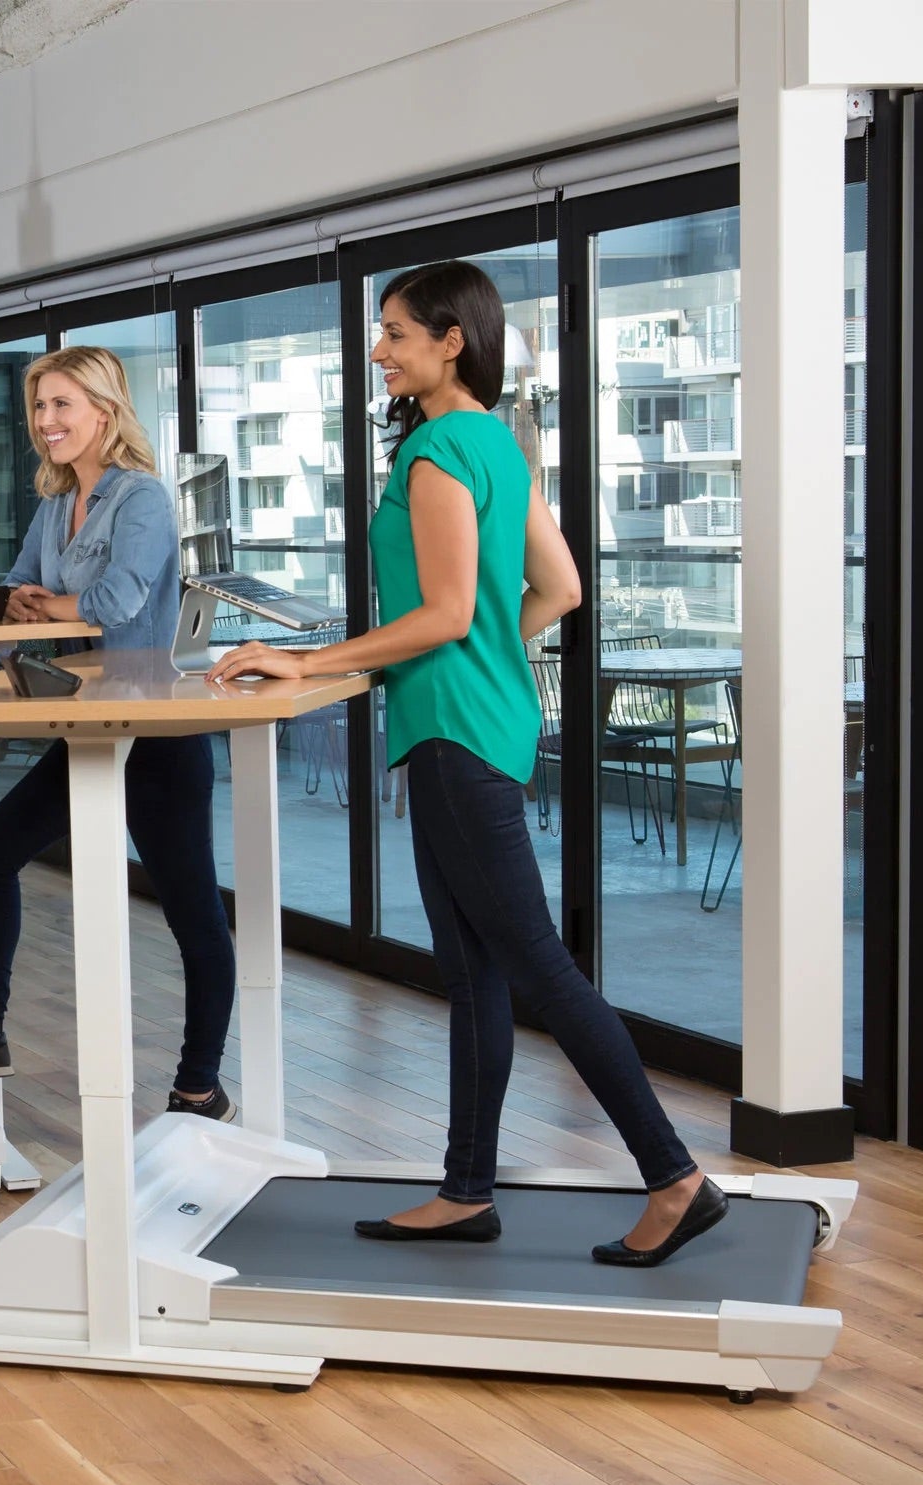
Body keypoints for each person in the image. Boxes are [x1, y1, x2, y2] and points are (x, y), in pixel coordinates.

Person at [210, 259, 723, 1266]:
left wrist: (309, 658)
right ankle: (465, 1188)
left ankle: (674, 1177)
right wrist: (481, 648)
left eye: (396, 332)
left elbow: (443, 613)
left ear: (452, 341)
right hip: (484, 722)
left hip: (450, 732)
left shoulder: (437, 450)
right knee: (476, 969)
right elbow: (559, 587)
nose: (378, 349)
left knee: (535, 965)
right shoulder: (496, 440)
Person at [0, 346, 237, 1121]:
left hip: (154, 727)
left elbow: (116, 602)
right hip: (87, 720)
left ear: (104, 412)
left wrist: (46, 605)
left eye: (61, 405)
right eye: (39, 407)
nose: (45, 421)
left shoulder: (141, 498)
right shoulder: (56, 505)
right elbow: (18, 591)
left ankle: (199, 1086)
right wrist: (23, 609)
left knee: (192, 914)